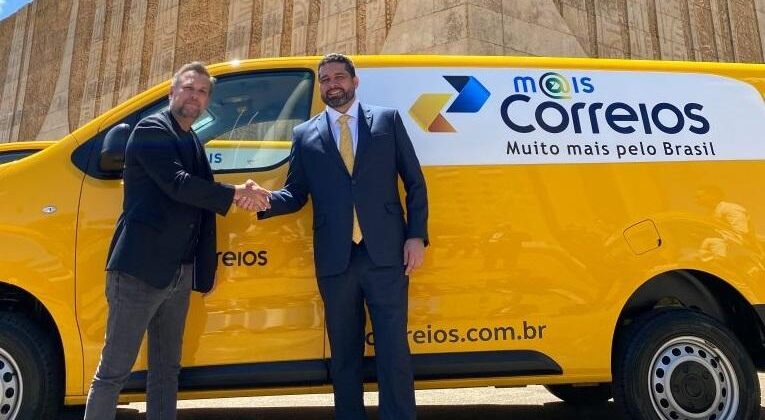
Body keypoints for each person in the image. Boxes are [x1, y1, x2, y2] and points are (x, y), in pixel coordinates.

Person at [84, 61, 270, 419]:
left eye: (202, 92)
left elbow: (201, 202)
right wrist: (236, 193)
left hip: (178, 274)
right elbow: (179, 184)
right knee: (113, 372)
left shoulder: (192, 140)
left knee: (167, 370)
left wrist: (240, 192)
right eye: (188, 88)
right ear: (172, 93)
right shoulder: (151, 130)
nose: (194, 96)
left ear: (207, 101)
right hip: (139, 272)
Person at [258, 53, 428, 420]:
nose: (332, 84)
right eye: (325, 79)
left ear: (354, 81)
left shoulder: (387, 120)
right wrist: (263, 200)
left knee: (393, 351)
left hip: (387, 255)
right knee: (344, 354)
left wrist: (416, 236)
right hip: (336, 260)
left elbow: (414, 182)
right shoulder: (304, 135)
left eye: (339, 77)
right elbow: (295, 194)